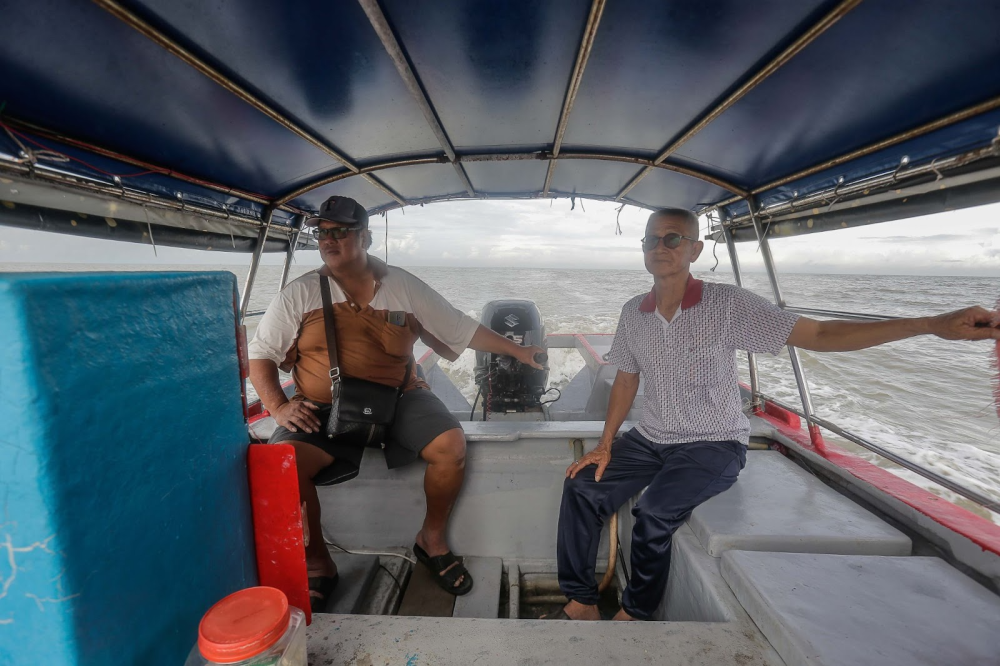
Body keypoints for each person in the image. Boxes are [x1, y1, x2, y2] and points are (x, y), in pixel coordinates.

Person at [549, 207, 1000, 622]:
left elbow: (820, 333)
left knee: (652, 514)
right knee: (581, 487)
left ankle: (636, 614)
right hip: (650, 438)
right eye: (651, 240)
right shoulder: (634, 312)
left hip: (713, 443)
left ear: (694, 249)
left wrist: (928, 325)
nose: (660, 248)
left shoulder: (728, 304)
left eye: (672, 238)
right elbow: (626, 379)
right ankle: (582, 600)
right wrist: (606, 444)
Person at [248, 196, 543, 611]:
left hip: (399, 398)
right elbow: (260, 354)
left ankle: (432, 539)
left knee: (450, 447)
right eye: (322, 233)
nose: (329, 240)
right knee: (283, 466)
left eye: (340, 232)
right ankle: (318, 565)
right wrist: (278, 408)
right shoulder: (299, 293)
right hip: (323, 406)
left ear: (364, 237)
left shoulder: (402, 285)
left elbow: (458, 327)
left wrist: (519, 353)